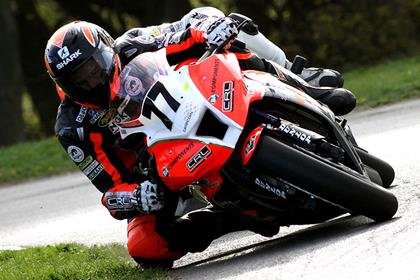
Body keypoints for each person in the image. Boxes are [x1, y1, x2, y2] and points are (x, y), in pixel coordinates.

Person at [44, 10, 355, 268]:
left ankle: (305, 84)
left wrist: (210, 29)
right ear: (63, 85)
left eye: (91, 70)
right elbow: (110, 190)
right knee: (145, 247)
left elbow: (183, 29)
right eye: (78, 81)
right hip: (158, 172)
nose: (89, 82)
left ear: (105, 51)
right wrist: (137, 196)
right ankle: (227, 218)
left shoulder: (133, 44)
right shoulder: (72, 127)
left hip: (196, 103)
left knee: (230, 24)